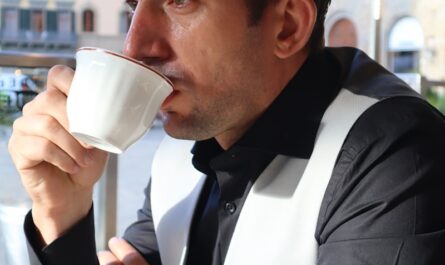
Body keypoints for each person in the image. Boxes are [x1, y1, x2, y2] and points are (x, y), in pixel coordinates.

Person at [7, 0, 445, 264]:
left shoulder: (396, 156)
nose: (136, 47)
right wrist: (59, 213)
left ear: (288, 25)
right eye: (133, 6)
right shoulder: (188, 144)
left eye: (179, 2)